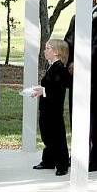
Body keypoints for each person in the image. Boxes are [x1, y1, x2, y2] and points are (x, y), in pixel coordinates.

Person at [64, 0, 97, 171]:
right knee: (75, 115)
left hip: (94, 76)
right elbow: (69, 41)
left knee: (95, 117)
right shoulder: (76, 18)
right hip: (74, 75)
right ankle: (77, 154)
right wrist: (66, 61)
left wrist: (80, 63)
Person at [31, 39, 70, 176]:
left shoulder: (60, 68)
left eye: (47, 48)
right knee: (47, 135)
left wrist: (44, 91)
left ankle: (62, 164)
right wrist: (41, 90)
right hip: (47, 107)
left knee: (56, 136)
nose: (45, 51)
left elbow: (58, 89)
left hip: (53, 108)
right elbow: (51, 86)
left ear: (56, 52)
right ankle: (48, 160)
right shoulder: (52, 66)